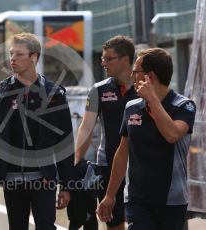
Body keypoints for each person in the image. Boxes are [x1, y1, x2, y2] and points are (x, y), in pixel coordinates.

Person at [0, 32, 74, 230]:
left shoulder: (54, 94)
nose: (12, 58)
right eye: (11, 54)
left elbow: (65, 141)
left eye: (19, 54)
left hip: (44, 179)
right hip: (12, 180)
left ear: (34, 57)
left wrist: (66, 184)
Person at [97, 48, 196, 230]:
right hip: (137, 200)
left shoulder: (183, 106)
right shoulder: (132, 107)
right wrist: (110, 195)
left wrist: (153, 100)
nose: (133, 76)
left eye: (136, 71)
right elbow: (122, 152)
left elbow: (172, 134)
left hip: (172, 201)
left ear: (149, 76)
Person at [72, 35, 137, 230]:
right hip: (107, 164)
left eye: (108, 58)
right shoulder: (98, 90)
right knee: (114, 223)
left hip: (141, 166)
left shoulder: (145, 87)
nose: (103, 62)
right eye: (102, 58)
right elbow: (86, 128)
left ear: (125, 59)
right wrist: (74, 164)